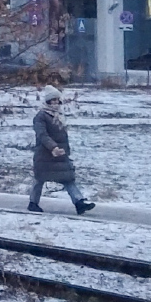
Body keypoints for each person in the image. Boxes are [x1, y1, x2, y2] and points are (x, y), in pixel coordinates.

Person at [29, 86, 95, 215]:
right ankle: (33, 203)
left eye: (57, 100)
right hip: (45, 154)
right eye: (52, 100)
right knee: (39, 179)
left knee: (68, 178)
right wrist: (53, 147)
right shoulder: (41, 116)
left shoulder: (59, 116)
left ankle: (79, 203)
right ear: (47, 101)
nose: (55, 103)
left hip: (60, 154)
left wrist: (63, 151)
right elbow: (42, 135)